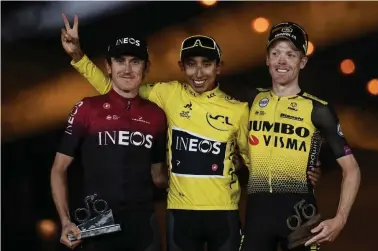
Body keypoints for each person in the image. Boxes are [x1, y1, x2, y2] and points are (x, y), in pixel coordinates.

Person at [60, 14, 323, 251]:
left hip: (224, 215)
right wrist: (78, 58)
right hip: (180, 214)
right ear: (181, 66)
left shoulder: (239, 110)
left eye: (206, 64)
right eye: (191, 64)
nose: (198, 72)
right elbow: (115, 87)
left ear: (218, 67)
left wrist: (299, 172)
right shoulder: (167, 93)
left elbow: (257, 163)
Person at [239, 22, 362, 251]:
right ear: (267, 59)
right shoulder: (251, 100)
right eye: (275, 53)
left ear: (302, 61)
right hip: (256, 222)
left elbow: (352, 169)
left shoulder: (318, 109)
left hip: (300, 221)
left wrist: (340, 219)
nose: (281, 60)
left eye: (290, 54)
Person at [51, 15, 167, 251]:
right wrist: (65, 221)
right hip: (97, 224)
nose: (127, 68)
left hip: (144, 228)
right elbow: (58, 168)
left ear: (146, 68)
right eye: (120, 61)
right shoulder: (87, 108)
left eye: (135, 61)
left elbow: (158, 176)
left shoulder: (157, 115)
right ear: (108, 66)